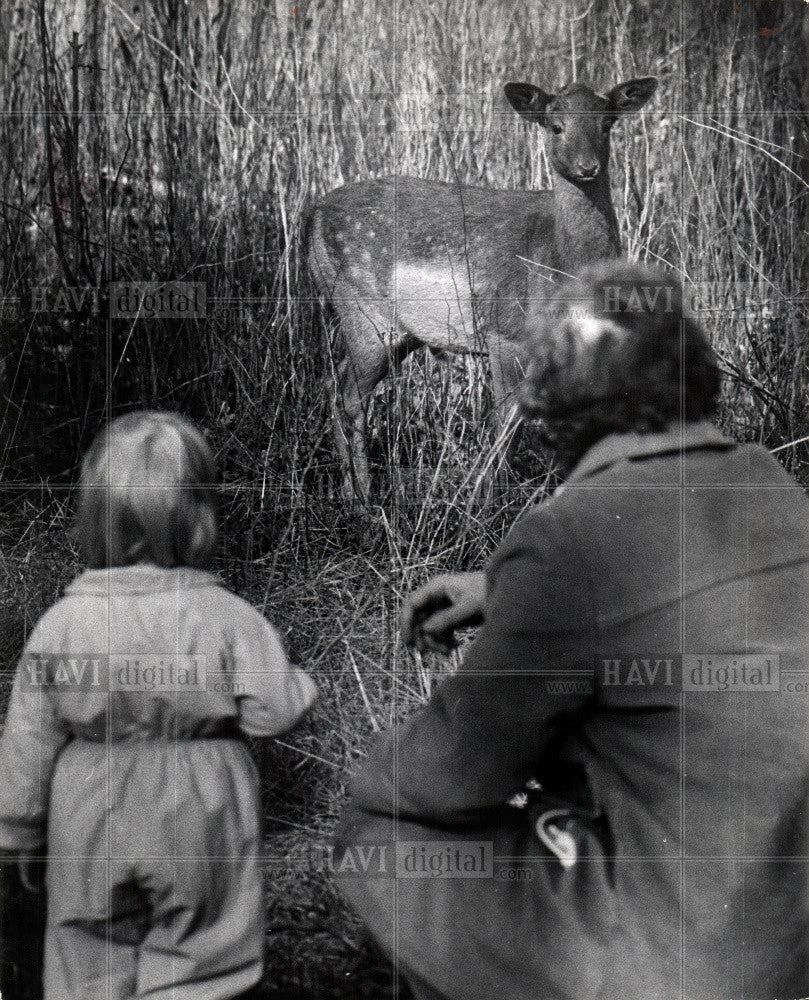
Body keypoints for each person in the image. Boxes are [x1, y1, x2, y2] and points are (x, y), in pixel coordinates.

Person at [334, 262, 809, 1000]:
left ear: (554, 409)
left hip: (681, 961)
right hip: (785, 933)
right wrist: (508, 592)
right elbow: (674, 584)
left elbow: (444, 783)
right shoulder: (777, 493)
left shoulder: (566, 543)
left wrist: (374, 767)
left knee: (381, 834)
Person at [0, 411, 318, 1000]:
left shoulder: (62, 624)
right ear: (200, 518)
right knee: (204, 960)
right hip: (201, 808)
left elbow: (29, 736)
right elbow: (273, 712)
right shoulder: (227, 617)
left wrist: (18, 829)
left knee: (85, 958)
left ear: (93, 519)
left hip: (89, 806)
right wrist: (298, 680)